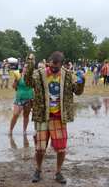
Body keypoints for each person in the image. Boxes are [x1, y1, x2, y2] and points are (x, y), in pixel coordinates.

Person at [25, 51, 85, 184]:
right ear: (49, 62)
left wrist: (82, 81)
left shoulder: (68, 75)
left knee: (61, 148)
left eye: (57, 67)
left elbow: (78, 92)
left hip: (59, 117)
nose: (53, 69)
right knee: (40, 148)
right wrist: (30, 63)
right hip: (42, 116)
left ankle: (58, 172)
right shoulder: (40, 74)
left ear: (61, 65)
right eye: (52, 65)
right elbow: (28, 82)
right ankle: (38, 170)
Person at [9, 63, 34, 135]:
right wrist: (16, 80)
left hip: (29, 98)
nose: (26, 69)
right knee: (15, 114)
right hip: (19, 98)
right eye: (25, 67)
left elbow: (35, 86)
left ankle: (24, 131)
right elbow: (13, 87)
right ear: (23, 68)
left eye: (28, 68)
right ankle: (10, 130)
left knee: (26, 115)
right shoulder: (19, 76)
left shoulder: (32, 77)